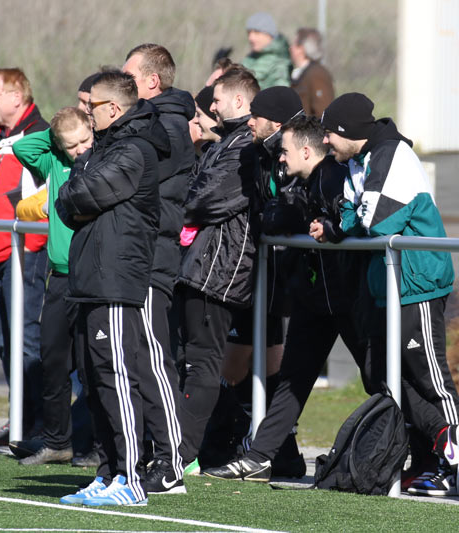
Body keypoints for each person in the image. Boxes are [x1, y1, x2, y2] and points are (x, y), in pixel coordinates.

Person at [321, 93, 459, 497]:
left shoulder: (391, 154)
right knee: (385, 375)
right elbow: (349, 215)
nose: (324, 141)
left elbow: (374, 220)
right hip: (387, 287)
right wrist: (343, 222)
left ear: (347, 131)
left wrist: (345, 222)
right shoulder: (358, 161)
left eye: (329, 133)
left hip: (416, 283)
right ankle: (428, 456)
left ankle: (453, 461)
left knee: (427, 374)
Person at [204, 114, 374, 481]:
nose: (280, 158)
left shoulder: (331, 177)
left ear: (306, 151)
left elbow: (346, 222)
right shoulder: (307, 181)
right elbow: (282, 218)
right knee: (292, 381)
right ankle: (260, 456)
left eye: (285, 151)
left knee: (379, 377)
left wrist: (316, 224)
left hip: (346, 300)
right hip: (315, 301)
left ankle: (424, 451)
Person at [56, 71, 168, 507]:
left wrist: (77, 192)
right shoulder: (106, 148)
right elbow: (67, 200)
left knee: (117, 378)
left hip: (115, 282)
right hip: (92, 280)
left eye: (93, 106)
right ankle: (107, 475)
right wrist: (77, 191)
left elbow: (82, 194)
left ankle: (131, 478)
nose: (86, 112)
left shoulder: (134, 149)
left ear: (115, 109)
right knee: (95, 381)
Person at [200, 86, 305, 476]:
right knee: (266, 365)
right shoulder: (259, 152)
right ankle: (278, 452)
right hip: (265, 275)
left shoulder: (285, 154)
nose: (249, 122)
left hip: (274, 276)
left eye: (256, 116)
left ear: (274, 122)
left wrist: (271, 220)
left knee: (236, 367)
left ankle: (242, 443)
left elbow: (287, 207)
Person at [174, 67, 260, 475]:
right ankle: (183, 447)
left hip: (219, 273)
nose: (211, 107)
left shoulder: (245, 147)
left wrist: (178, 205)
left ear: (240, 101)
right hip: (200, 267)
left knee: (203, 364)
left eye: (218, 100)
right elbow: (195, 192)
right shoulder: (226, 142)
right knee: (185, 360)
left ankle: (184, 453)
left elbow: (201, 201)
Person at [122, 42, 194, 494]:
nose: (122, 85)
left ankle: (171, 462)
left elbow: (136, 174)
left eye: (129, 77)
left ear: (152, 81)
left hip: (153, 257)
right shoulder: (149, 121)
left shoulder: (168, 125)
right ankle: (143, 454)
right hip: (133, 256)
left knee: (152, 358)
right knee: (130, 359)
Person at [0, 68, 49, 446]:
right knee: (2, 340)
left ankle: (42, 425)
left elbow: (45, 196)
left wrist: (32, 245)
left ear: (16, 97)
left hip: (23, 255)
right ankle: (19, 419)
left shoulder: (39, 138)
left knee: (26, 340)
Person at [11, 107, 93, 465]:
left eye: (84, 140)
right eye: (71, 145)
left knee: (93, 366)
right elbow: (22, 149)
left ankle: (96, 443)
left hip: (91, 279)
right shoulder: (55, 162)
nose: (79, 149)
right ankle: (58, 441)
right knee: (53, 360)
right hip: (59, 277)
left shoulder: (101, 160)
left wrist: (79, 133)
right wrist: (56, 132)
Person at [289, 28, 334, 118]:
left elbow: (322, 113)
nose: (290, 48)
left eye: (294, 45)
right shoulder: (300, 73)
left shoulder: (317, 74)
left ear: (301, 49)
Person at [242, 12, 291, 89]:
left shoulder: (280, 63)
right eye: (249, 33)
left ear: (269, 35)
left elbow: (281, 94)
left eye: (256, 32)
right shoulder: (249, 59)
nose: (251, 38)